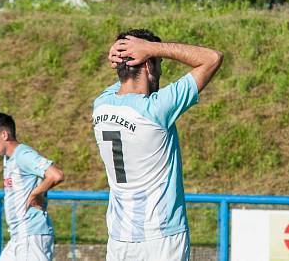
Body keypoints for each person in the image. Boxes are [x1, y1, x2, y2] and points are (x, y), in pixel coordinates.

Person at [92, 29, 223, 261]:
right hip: (161, 238)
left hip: (119, 238)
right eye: (159, 63)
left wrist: (121, 56)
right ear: (148, 65)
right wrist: (153, 49)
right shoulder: (157, 109)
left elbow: (122, 86)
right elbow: (212, 58)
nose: (161, 69)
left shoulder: (101, 105)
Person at [0, 113, 65, 261]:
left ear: (4, 135)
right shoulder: (9, 159)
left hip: (30, 235)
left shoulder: (22, 155)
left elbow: (56, 175)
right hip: (18, 236)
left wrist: (35, 194)